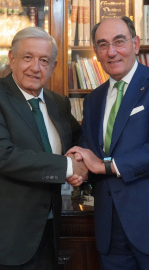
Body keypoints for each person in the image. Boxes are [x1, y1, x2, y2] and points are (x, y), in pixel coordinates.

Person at [0, 26, 88, 270]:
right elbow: (2, 155)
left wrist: (85, 159)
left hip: (45, 235)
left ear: (54, 66)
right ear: (12, 58)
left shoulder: (58, 103)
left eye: (44, 60)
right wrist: (69, 166)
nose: (35, 68)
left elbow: (78, 140)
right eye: (27, 57)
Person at [66, 17, 149, 269]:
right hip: (108, 229)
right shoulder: (93, 99)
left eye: (119, 42)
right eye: (103, 45)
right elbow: (88, 147)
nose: (111, 52)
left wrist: (107, 165)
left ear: (135, 44)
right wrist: (75, 164)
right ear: (96, 52)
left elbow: (102, 162)